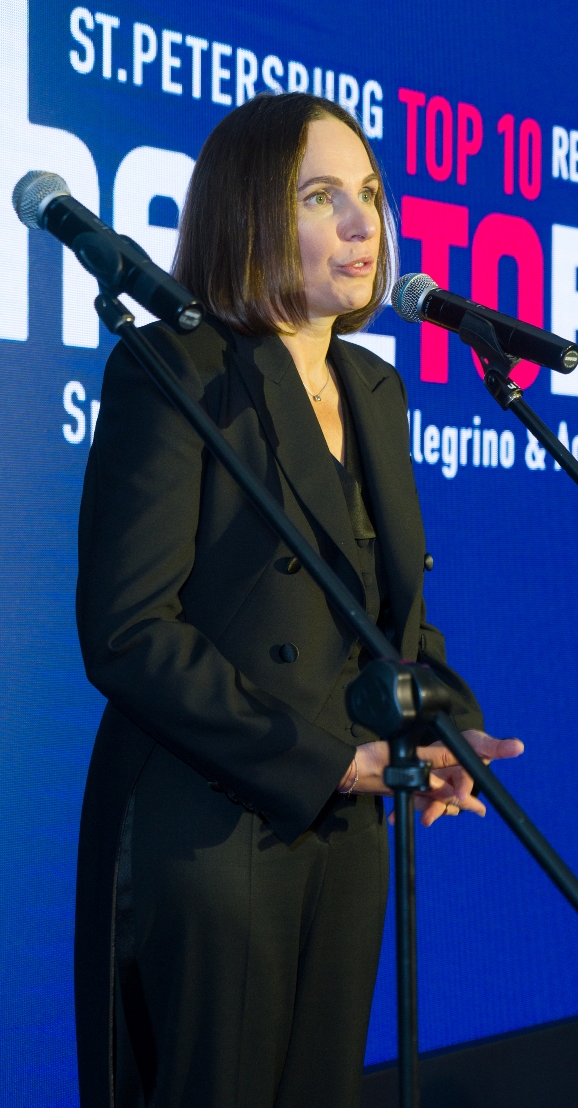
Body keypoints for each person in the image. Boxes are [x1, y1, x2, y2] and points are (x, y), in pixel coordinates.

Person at [74, 92, 524, 1108]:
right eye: (322, 197)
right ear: (247, 215)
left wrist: (439, 724)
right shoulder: (175, 369)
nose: (365, 224)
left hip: (350, 824)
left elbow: (386, 611)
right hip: (217, 824)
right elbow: (129, 630)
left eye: (368, 192)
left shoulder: (375, 388)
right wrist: (326, 761)